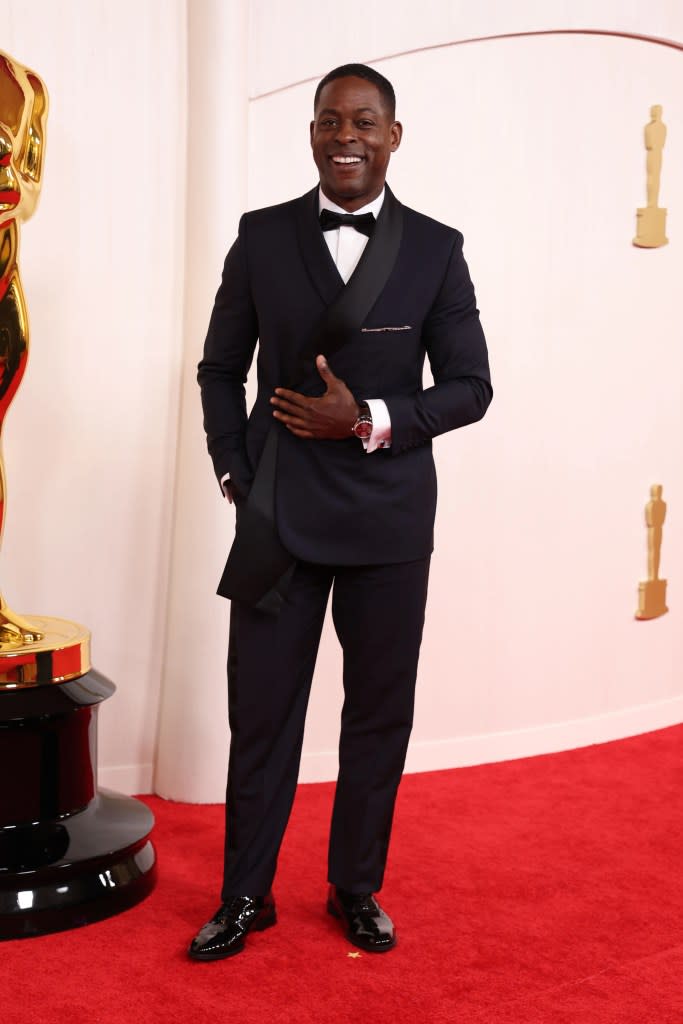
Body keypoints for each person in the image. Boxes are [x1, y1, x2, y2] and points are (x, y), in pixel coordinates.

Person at [190, 63, 492, 961]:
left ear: (393, 137)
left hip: (390, 523)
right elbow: (218, 369)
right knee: (263, 715)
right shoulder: (261, 236)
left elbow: (471, 389)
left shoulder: (436, 248)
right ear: (312, 134)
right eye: (330, 121)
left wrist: (365, 420)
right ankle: (245, 894)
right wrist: (233, 468)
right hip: (278, 516)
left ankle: (355, 889)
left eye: (364, 121)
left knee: (376, 714)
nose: (346, 136)